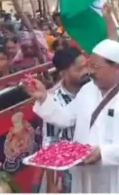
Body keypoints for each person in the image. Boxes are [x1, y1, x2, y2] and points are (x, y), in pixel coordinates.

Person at [24, 39, 119, 193]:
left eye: (95, 67)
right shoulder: (87, 90)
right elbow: (66, 117)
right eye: (89, 66)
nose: (90, 71)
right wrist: (43, 97)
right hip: (89, 177)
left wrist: (104, 153)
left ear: (116, 66)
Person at [42, 47, 90, 193]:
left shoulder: (95, 89)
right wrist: (51, 183)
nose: (86, 71)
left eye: (86, 65)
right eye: (80, 68)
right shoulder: (53, 102)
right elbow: (50, 143)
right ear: (63, 73)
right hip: (72, 171)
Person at [0, 47, 30, 111]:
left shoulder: (19, 72)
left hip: (26, 109)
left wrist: (20, 86)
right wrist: (1, 88)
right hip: (5, 114)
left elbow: (30, 92)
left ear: (9, 60)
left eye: (2, 59)